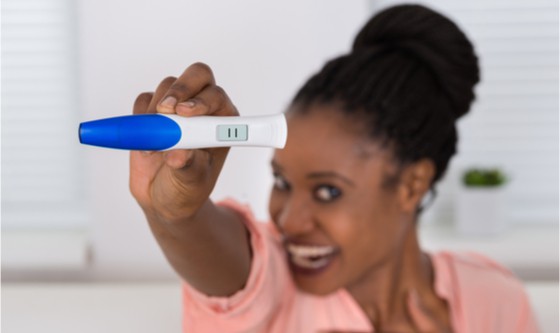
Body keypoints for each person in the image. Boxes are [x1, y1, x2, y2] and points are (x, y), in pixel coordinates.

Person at [130, 4, 538, 333]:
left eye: (328, 191)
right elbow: (228, 267)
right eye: (281, 181)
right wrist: (176, 215)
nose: (289, 220)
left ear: (411, 186)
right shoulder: (272, 282)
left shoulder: (494, 301)